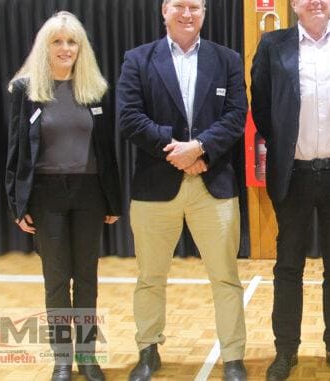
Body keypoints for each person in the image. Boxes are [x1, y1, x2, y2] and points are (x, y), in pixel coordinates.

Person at [116, 0, 248, 380]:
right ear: (164, 10)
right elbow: (129, 116)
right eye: (179, 6)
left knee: (225, 276)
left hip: (213, 184)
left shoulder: (227, 59)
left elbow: (237, 115)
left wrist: (201, 148)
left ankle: (234, 357)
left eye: (195, 7)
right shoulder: (138, 59)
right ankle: (147, 350)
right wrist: (175, 150)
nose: (186, 14)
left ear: (204, 13)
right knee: (150, 276)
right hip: (156, 187)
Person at [250, 0, 330, 379]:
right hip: (294, 176)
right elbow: (262, 108)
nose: (316, 1)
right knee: (288, 267)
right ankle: (285, 350)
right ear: (295, 5)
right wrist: (288, 147)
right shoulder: (273, 44)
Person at [5, 11, 121, 381]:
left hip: (89, 194)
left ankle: (87, 358)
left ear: (80, 48)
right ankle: (62, 360)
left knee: (86, 277)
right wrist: (17, 202)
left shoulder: (95, 89)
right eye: (57, 41)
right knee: (56, 279)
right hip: (46, 195)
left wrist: (113, 199)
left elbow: (107, 150)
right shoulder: (26, 89)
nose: (65, 48)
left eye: (72, 42)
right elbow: (16, 150)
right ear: (45, 46)